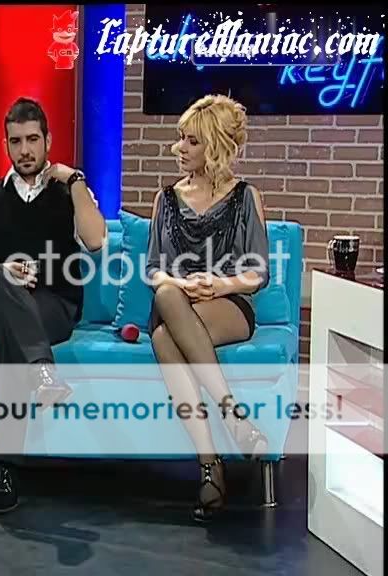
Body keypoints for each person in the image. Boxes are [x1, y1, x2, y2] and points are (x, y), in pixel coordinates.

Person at [0, 97, 107, 516]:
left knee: (10, 336)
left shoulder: (69, 192)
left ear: (48, 141)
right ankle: (42, 370)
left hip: (53, 305)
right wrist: (1, 271)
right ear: (5, 144)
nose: (25, 150)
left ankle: (2, 473)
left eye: (33, 140)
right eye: (16, 141)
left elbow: (96, 241)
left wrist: (75, 179)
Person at [145, 94, 270, 522]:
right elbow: (154, 270)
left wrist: (219, 284)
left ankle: (210, 467)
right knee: (166, 301)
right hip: (176, 300)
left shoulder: (245, 197)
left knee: (165, 338)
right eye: (180, 138)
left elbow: (258, 272)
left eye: (191, 141)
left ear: (214, 146)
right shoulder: (165, 199)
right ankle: (229, 424)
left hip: (228, 303)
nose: (179, 148)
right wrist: (182, 284)